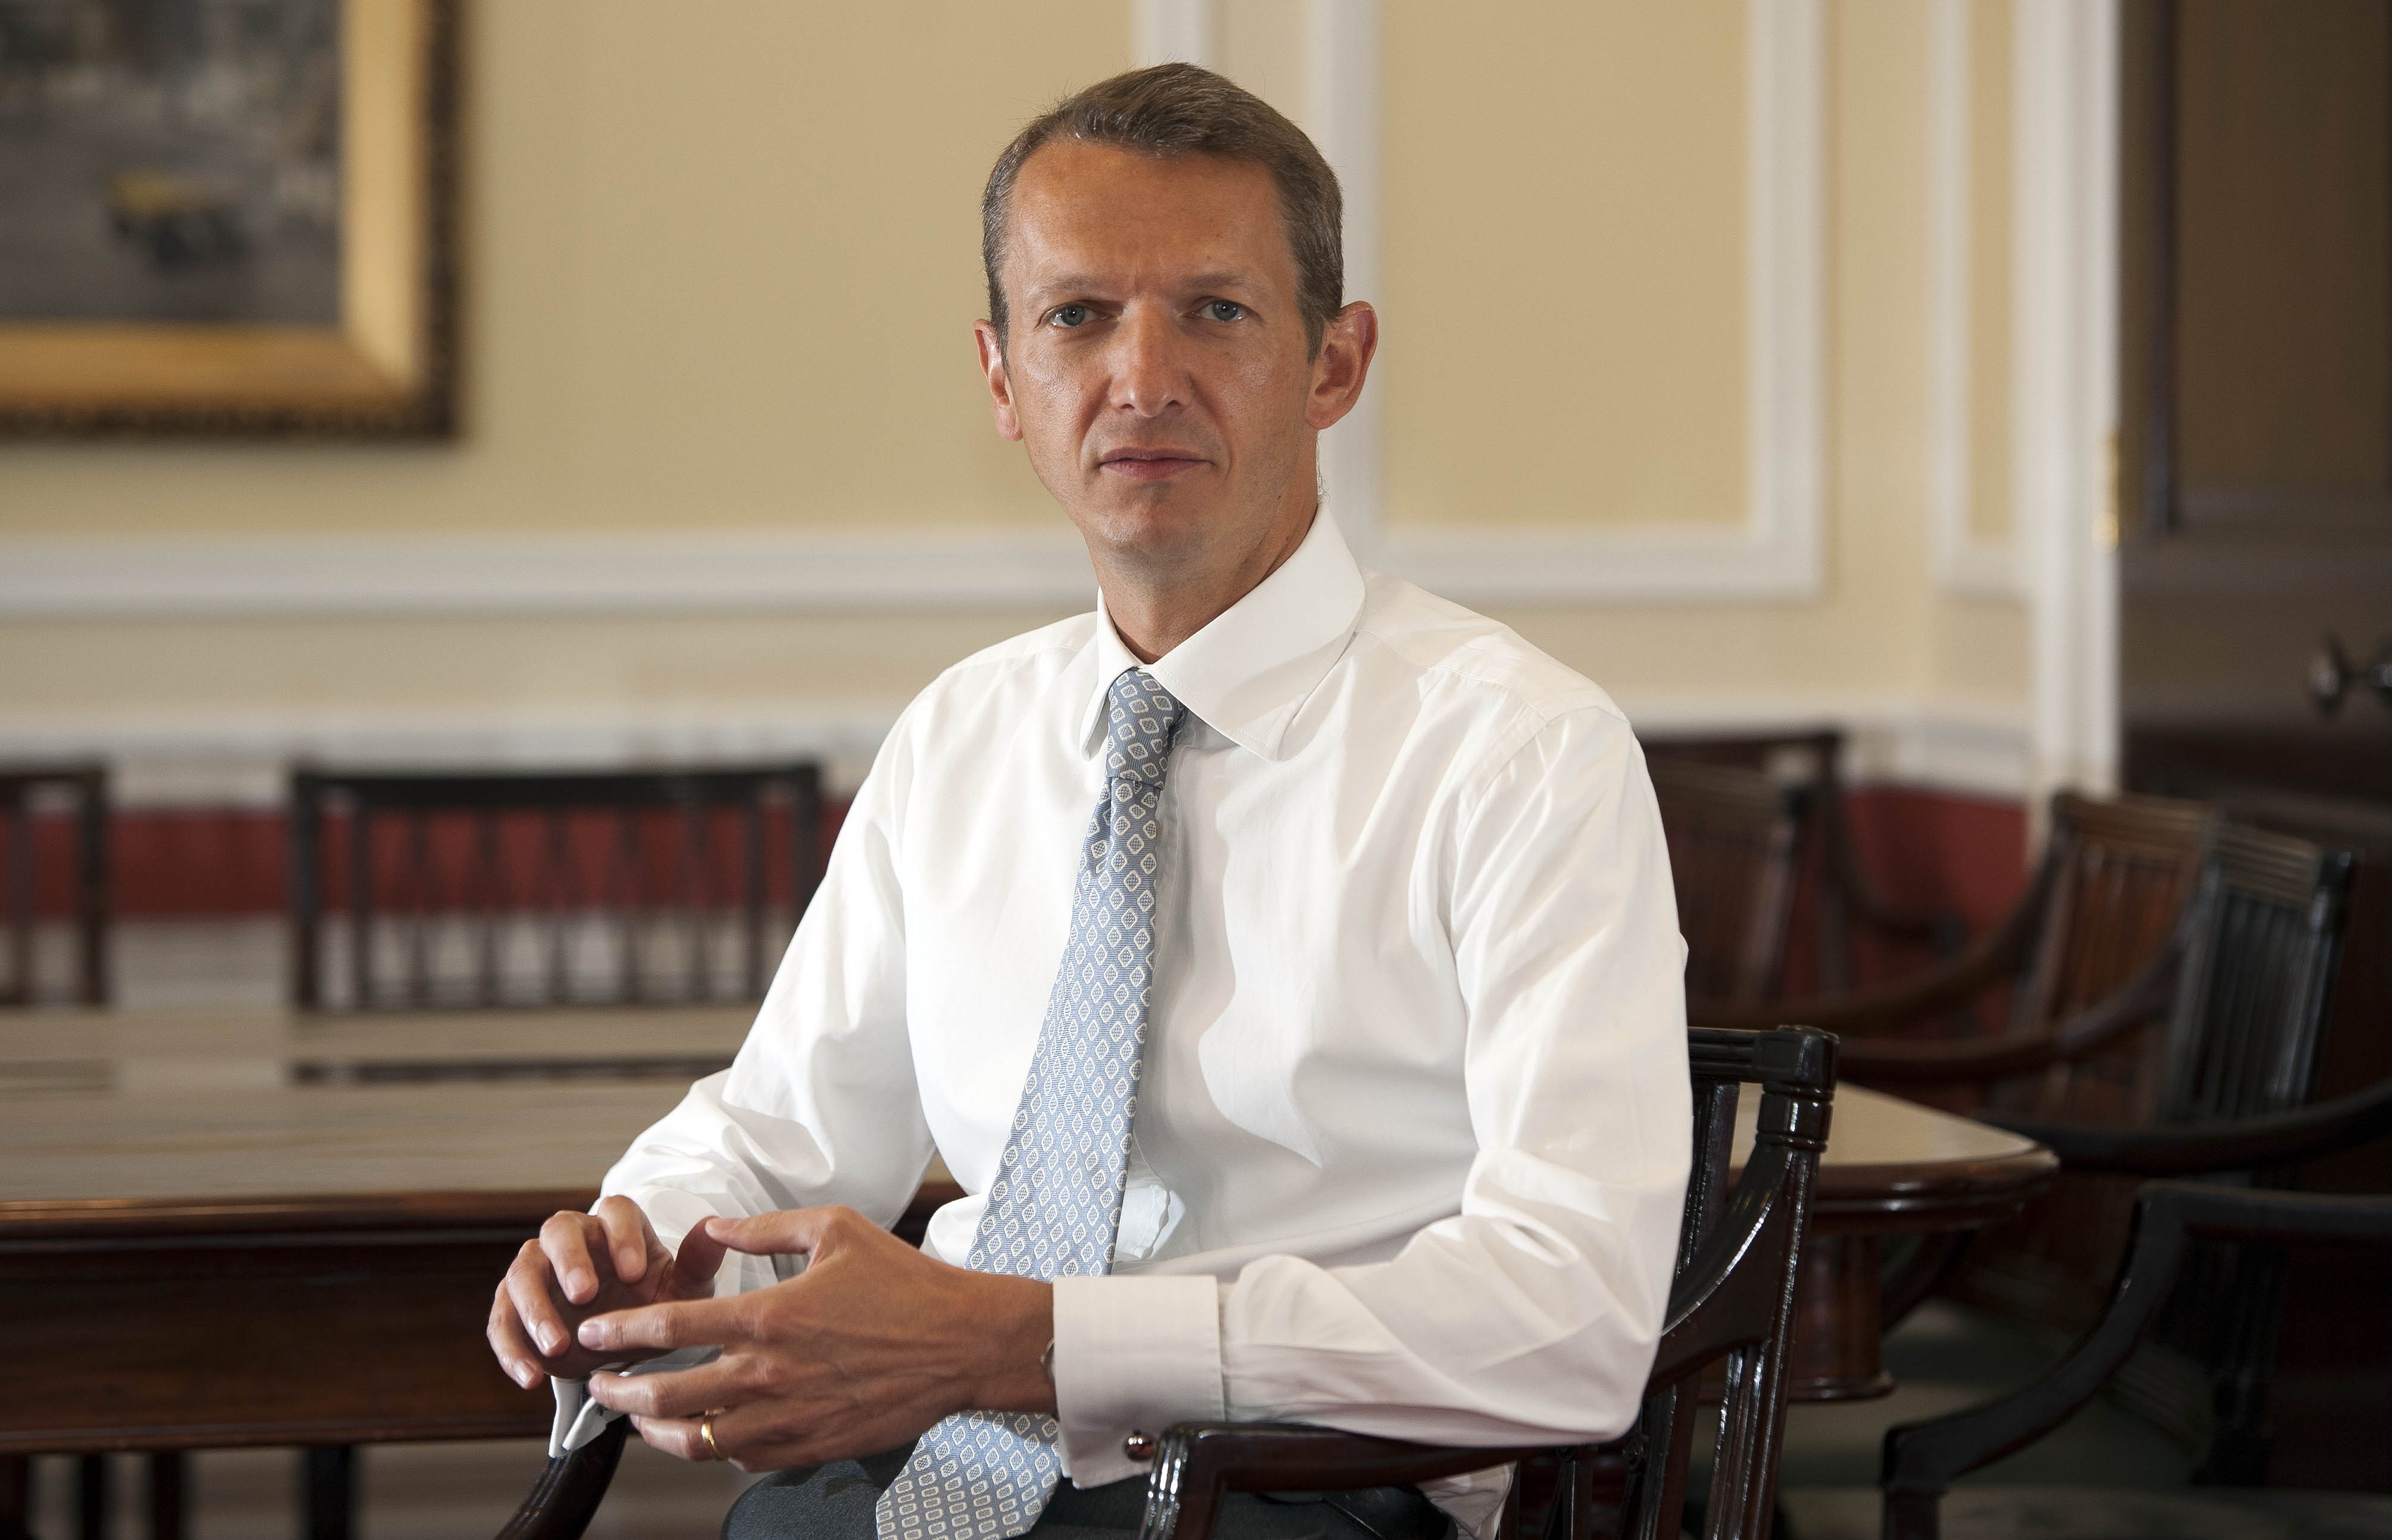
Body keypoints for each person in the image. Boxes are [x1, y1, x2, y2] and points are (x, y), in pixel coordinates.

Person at [486, 63, 1691, 1540]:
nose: (1141, 379)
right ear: (1003, 379)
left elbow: (1569, 1320)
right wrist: (646, 1245)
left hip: (1316, 1495)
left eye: (1215, 310)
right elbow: (775, 1133)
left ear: (1335, 364)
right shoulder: (962, 733)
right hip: (923, 1477)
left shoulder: (1523, 752)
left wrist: (1028, 1341)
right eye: (1077, 318)